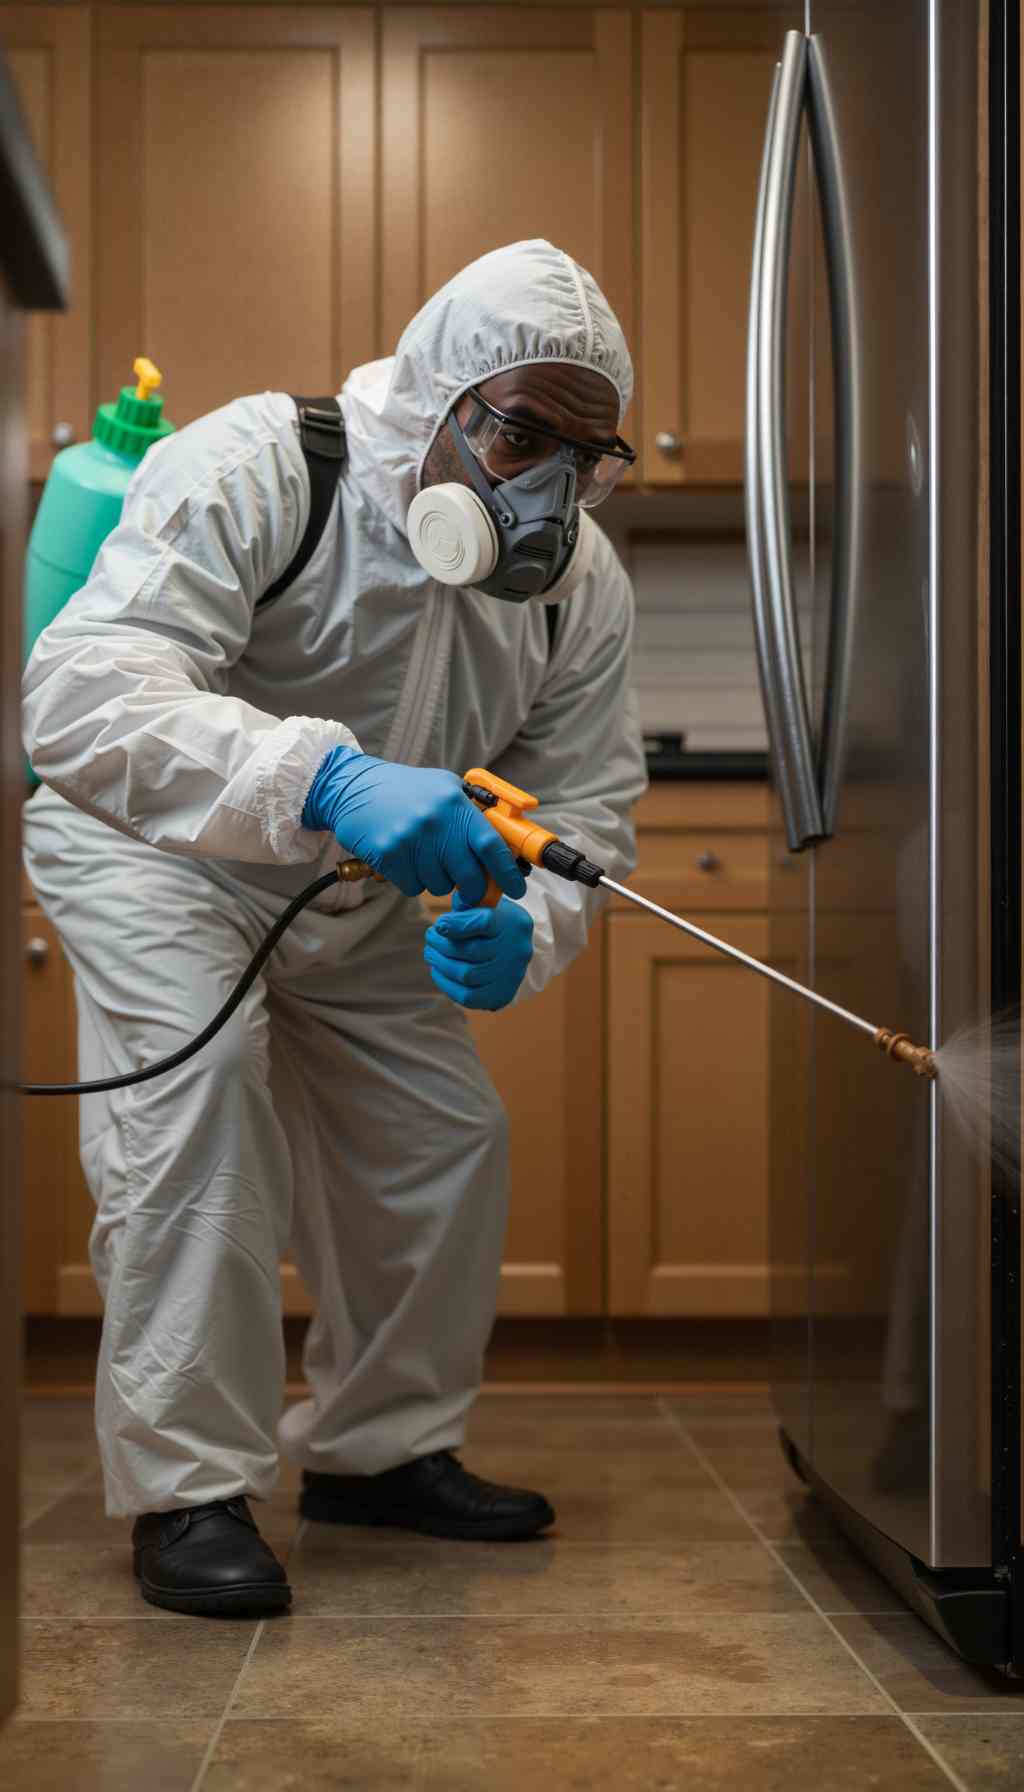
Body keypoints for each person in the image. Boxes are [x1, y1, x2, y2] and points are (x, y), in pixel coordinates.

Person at [21, 239, 647, 1617]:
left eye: (583, 458)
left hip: (360, 894)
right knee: (201, 1103)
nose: (545, 489)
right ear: (436, 393)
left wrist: (532, 922)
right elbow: (81, 696)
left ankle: (380, 1452)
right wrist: (330, 778)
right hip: (160, 856)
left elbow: (584, 799)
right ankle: (189, 1488)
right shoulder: (259, 467)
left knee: (443, 1137)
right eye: (520, 436)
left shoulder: (578, 585)